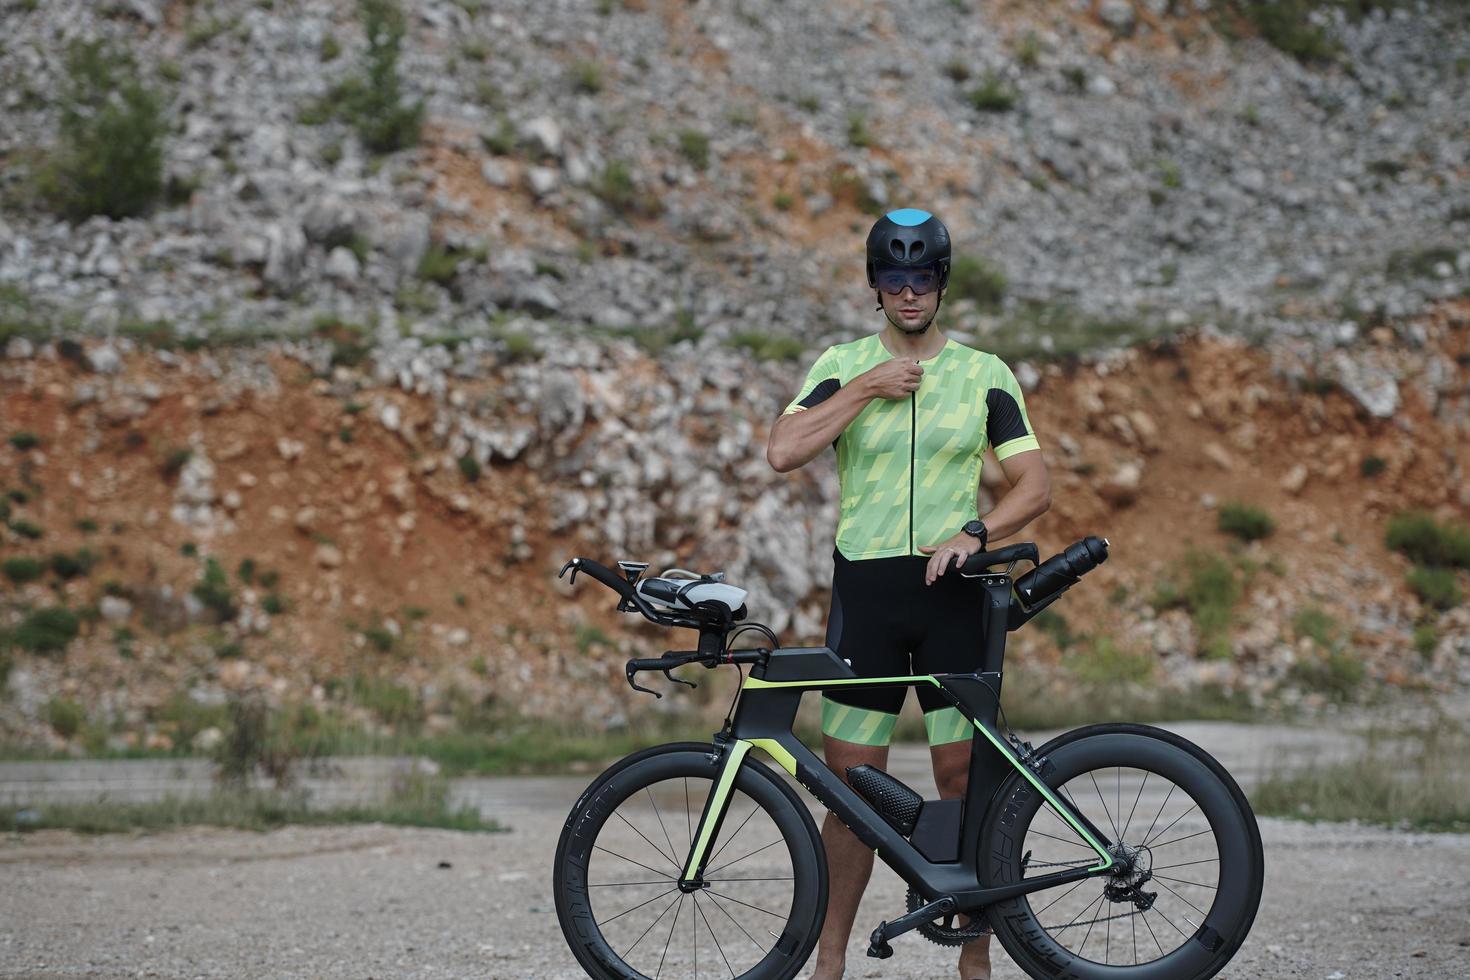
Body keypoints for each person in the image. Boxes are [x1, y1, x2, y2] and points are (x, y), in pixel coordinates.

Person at [766, 208, 1052, 980]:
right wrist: (866, 386)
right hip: (869, 594)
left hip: (954, 592)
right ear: (874, 286)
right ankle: (829, 966)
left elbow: (1036, 484)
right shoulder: (842, 361)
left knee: (967, 787)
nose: (908, 292)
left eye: (921, 277)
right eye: (893, 278)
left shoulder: (985, 374)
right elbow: (784, 449)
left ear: (941, 282)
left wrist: (978, 535)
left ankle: (975, 964)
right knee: (852, 795)